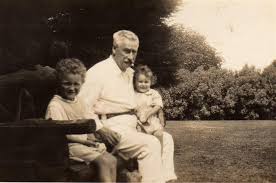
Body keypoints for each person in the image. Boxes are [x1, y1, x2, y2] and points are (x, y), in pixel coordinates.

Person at [79, 30, 176, 182]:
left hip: (133, 126)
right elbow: (82, 106)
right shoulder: (98, 72)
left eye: (134, 52)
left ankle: (167, 180)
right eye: (126, 51)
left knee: (167, 139)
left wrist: (153, 113)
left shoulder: (131, 74)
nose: (131, 57)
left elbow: (145, 96)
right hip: (111, 128)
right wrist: (100, 129)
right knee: (150, 144)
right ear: (114, 49)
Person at [45, 58, 118, 182]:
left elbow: (86, 121)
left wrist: (92, 137)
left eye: (76, 84)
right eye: (67, 83)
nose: (72, 88)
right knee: (104, 162)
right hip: (69, 147)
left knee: (113, 160)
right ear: (59, 83)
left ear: (82, 83)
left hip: (84, 145)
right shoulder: (56, 105)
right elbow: (58, 135)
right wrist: (86, 142)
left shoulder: (80, 101)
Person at [133, 65, 165, 151]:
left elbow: (158, 105)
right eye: (140, 82)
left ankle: (159, 154)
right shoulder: (133, 94)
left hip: (152, 122)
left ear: (151, 82)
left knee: (158, 134)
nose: (143, 84)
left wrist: (148, 114)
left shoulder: (153, 93)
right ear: (135, 82)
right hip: (139, 124)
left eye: (146, 82)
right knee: (141, 141)